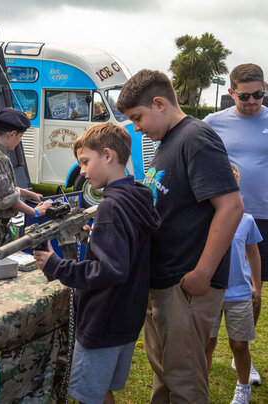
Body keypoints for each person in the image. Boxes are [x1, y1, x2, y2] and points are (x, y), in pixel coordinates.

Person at [116, 69, 244, 403]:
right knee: (166, 378)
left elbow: (231, 207)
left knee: (185, 384)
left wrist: (202, 274)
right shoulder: (168, 142)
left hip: (186, 285)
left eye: (138, 117)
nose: (138, 127)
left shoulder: (196, 137)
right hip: (164, 281)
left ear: (159, 103)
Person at [33, 122, 161, 404]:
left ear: (108, 155)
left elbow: (109, 270)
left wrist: (56, 265)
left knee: (90, 395)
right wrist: (97, 239)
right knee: (103, 391)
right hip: (126, 315)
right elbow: (125, 253)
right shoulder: (136, 198)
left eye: (85, 162)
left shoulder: (111, 207)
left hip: (103, 319)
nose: (82, 171)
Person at [204, 63, 267, 385]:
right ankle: (209, 343)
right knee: (220, 281)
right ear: (231, 93)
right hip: (224, 216)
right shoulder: (212, 123)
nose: (253, 101)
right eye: (245, 96)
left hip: (263, 217)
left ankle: (241, 350)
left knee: (254, 288)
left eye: (259, 94)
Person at [205, 166, 262, 404]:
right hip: (209, 293)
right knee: (207, 342)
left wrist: (257, 287)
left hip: (238, 293)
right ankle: (200, 386)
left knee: (239, 344)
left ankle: (243, 387)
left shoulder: (246, 220)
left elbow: (253, 254)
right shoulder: (203, 220)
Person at [0, 107, 50, 253]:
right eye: (20, 137)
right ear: (12, 134)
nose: (19, 141)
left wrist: (30, 195)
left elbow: (2, 188)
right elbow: (8, 199)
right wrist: (35, 212)